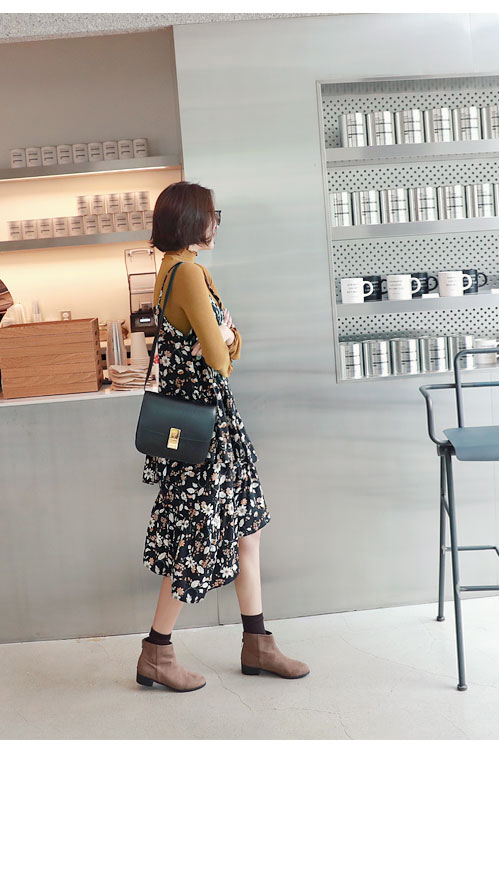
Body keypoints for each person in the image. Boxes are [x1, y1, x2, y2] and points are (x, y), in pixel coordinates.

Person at [136, 181, 310, 692]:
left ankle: (258, 643)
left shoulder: (173, 269)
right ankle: (156, 652)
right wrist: (231, 339)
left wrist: (229, 339)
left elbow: (223, 344)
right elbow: (221, 357)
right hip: (208, 430)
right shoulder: (188, 273)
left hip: (211, 424)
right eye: (212, 215)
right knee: (196, 538)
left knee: (246, 530)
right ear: (192, 221)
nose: (216, 224)